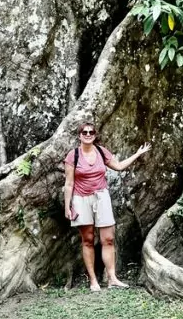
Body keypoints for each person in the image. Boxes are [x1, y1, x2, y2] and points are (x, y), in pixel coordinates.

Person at [63, 122, 151, 291]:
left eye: (91, 132)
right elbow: (69, 183)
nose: (88, 134)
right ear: (79, 135)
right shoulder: (72, 156)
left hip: (101, 197)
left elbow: (118, 166)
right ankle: (93, 281)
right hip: (81, 199)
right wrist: (68, 207)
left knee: (108, 239)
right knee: (87, 240)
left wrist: (138, 154)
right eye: (84, 132)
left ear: (95, 135)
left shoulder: (102, 152)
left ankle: (112, 278)